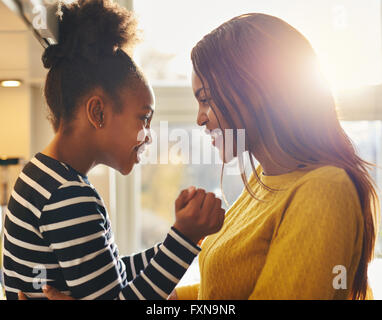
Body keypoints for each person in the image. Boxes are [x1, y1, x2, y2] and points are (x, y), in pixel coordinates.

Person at [20, 12, 380, 301]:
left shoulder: (324, 191)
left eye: (206, 98)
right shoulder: (266, 179)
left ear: (256, 93)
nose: (199, 118)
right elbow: (220, 294)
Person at [3, 0, 225, 300]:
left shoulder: (39, 175)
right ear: (98, 112)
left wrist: (180, 235)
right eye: (144, 118)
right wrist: (184, 239)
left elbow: (108, 272)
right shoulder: (69, 196)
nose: (148, 136)